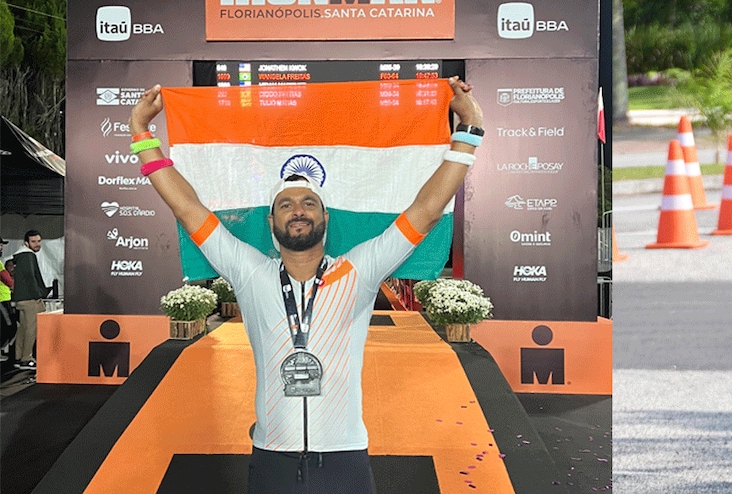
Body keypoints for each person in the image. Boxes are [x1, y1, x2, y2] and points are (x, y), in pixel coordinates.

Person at [129, 77, 483, 494]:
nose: (298, 210)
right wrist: (141, 133)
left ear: (326, 218)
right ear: (271, 221)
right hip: (272, 458)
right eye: (286, 204)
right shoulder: (249, 271)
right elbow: (187, 208)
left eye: (309, 202)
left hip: (345, 458)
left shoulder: (360, 270)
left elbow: (425, 210)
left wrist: (469, 130)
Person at [11, 230, 50, 371]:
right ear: (26, 243)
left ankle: (19, 357)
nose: (37, 244)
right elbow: (30, 277)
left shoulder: (22, 255)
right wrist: (38, 294)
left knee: (23, 329)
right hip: (30, 299)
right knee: (30, 330)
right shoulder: (27, 256)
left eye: (39, 241)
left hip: (22, 298)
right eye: (34, 241)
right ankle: (26, 359)